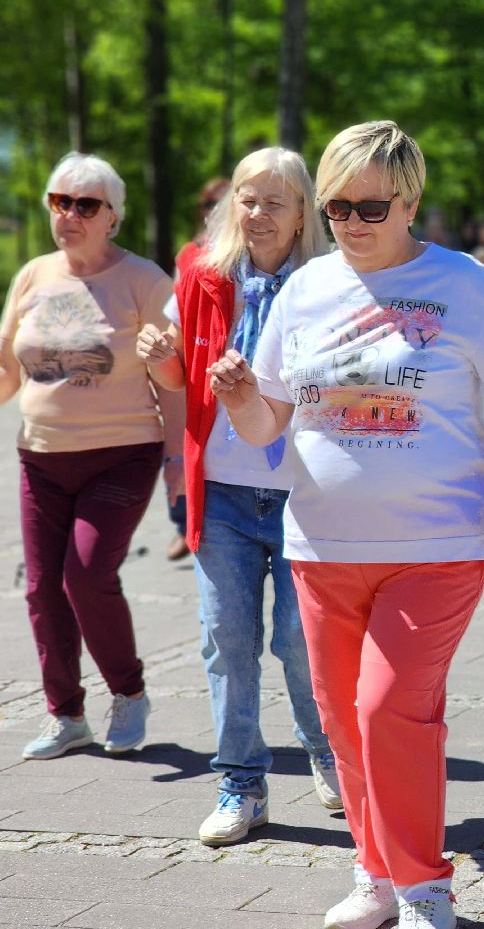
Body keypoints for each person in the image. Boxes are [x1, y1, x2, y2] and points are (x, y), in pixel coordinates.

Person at [207, 121, 484, 929]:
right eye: (336, 209)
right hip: (323, 546)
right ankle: (375, 876)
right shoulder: (307, 290)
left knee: (391, 708)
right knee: (344, 723)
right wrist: (240, 398)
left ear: (410, 201)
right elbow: (268, 428)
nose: (353, 226)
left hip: (436, 546)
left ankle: (426, 886)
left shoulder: (462, 283)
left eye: (370, 208)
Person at [136, 147, 339, 846]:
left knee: (298, 640)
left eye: (273, 202)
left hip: (304, 493)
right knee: (227, 640)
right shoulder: (201, 272)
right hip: (221, 490)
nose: (255, 214)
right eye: (247, 200)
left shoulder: (328, 281)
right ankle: (240, 785)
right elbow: (174, 375)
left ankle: (324, 747)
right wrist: (159, 350)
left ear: (302, 212)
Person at [1, 153, 182, 761]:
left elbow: (173, 379)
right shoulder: (32, 276)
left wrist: (179, 459)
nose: (69, 215)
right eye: (60, 202)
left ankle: (128, 693)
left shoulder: (145, 281)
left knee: (85, 575)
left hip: (122, 454)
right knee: (42, 589)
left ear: (113, 217)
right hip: (41, 456)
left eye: (86, 205)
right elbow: (7, 371)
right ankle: (67, 715)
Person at [167, 176, 231, 561]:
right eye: (210, 207)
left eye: (222, 206)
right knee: (183, 446)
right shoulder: (189, 254)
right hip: (192, 364)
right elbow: (176, 312)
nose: (215, 214)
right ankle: (182, 525)